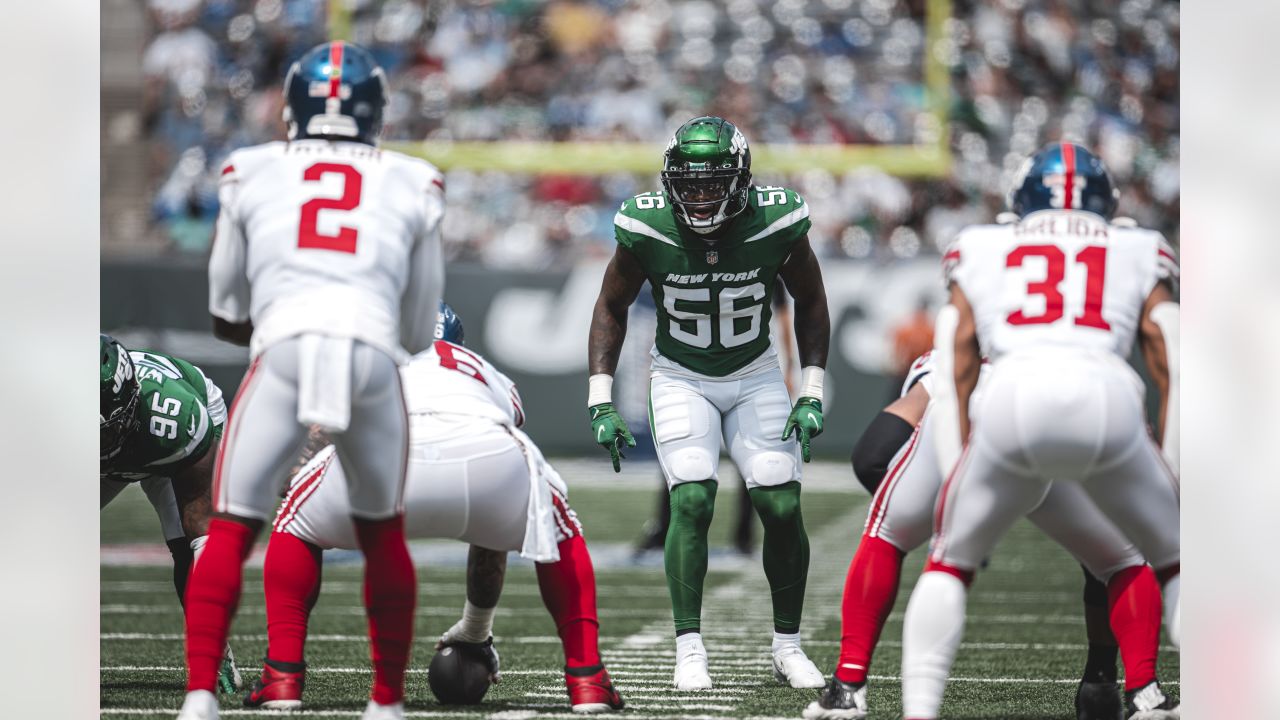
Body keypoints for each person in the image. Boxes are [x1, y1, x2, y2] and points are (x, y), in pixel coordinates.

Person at [182, 41, 445, 720]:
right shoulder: (415, 180)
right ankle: (385, 704)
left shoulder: (250, 169)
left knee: (233, 526)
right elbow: (419, 330)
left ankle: (200, 697)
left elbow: (224, 310)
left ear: (293, 108)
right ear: (376, 111)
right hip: (370, 352)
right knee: (383, 534)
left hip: (286, 347)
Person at [899, 143, 1181, 720]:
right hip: (1107, 396)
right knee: (1172, 561)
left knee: (949, 563)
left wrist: (956, 465)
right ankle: (1184, 696)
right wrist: (1175, 462)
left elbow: (955, 356)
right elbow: (1170, 354)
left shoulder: (982, 243)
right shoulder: (1139, 246)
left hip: (1012, 398)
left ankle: (919, 709)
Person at [243, 306, 624, 714]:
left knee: (294, 523)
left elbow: (322, 427)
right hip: (482, 452)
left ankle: (282, 676)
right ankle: (588, 680)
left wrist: (299, 475)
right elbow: (508, 424)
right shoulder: (478, 367)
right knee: (560, 524)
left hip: (386, 455)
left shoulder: (366, 358)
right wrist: (475, 631)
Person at [587, 116, 831, 691]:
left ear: (742, 178)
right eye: (688, 183)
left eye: (712, 182)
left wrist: (812, 389)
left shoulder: (776, 218)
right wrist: (601, 399)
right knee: (691, 498)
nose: (698, 195)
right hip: (680, 377)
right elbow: (609, 306)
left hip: (755, 373)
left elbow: (812, 300)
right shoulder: (645, 223)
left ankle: (787, 646)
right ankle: (689, 647)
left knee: (780, 504)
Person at [803, 350, 1158, 720]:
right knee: (1123, 559)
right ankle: (1135, 689)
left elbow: (871, 458)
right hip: (1064, 419)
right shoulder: (1097, 331)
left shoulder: (961, 333)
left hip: (978, 412)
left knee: (894, 537)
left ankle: (849, 688)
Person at [100, 334, 240, 694]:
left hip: (161, 442)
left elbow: (202, 520)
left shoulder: (176, 418)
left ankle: (214, 652)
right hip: (125, 448)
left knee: (188, 541)